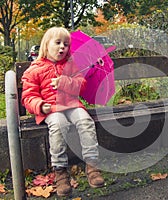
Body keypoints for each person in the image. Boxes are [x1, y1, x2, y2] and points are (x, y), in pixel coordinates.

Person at [21, 27, 104, 197]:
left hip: (72, 104)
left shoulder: (70, 65)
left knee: (85, 121)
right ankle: (60, 173)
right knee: (59, 124)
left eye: (66, 44)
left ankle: (92, 166)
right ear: (46, 45)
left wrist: (65, 81)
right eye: (57, 43)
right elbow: (28, 96)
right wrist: (40, 105)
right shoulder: (34, 69)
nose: (62, 47)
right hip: (51, 109)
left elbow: (81, 85)